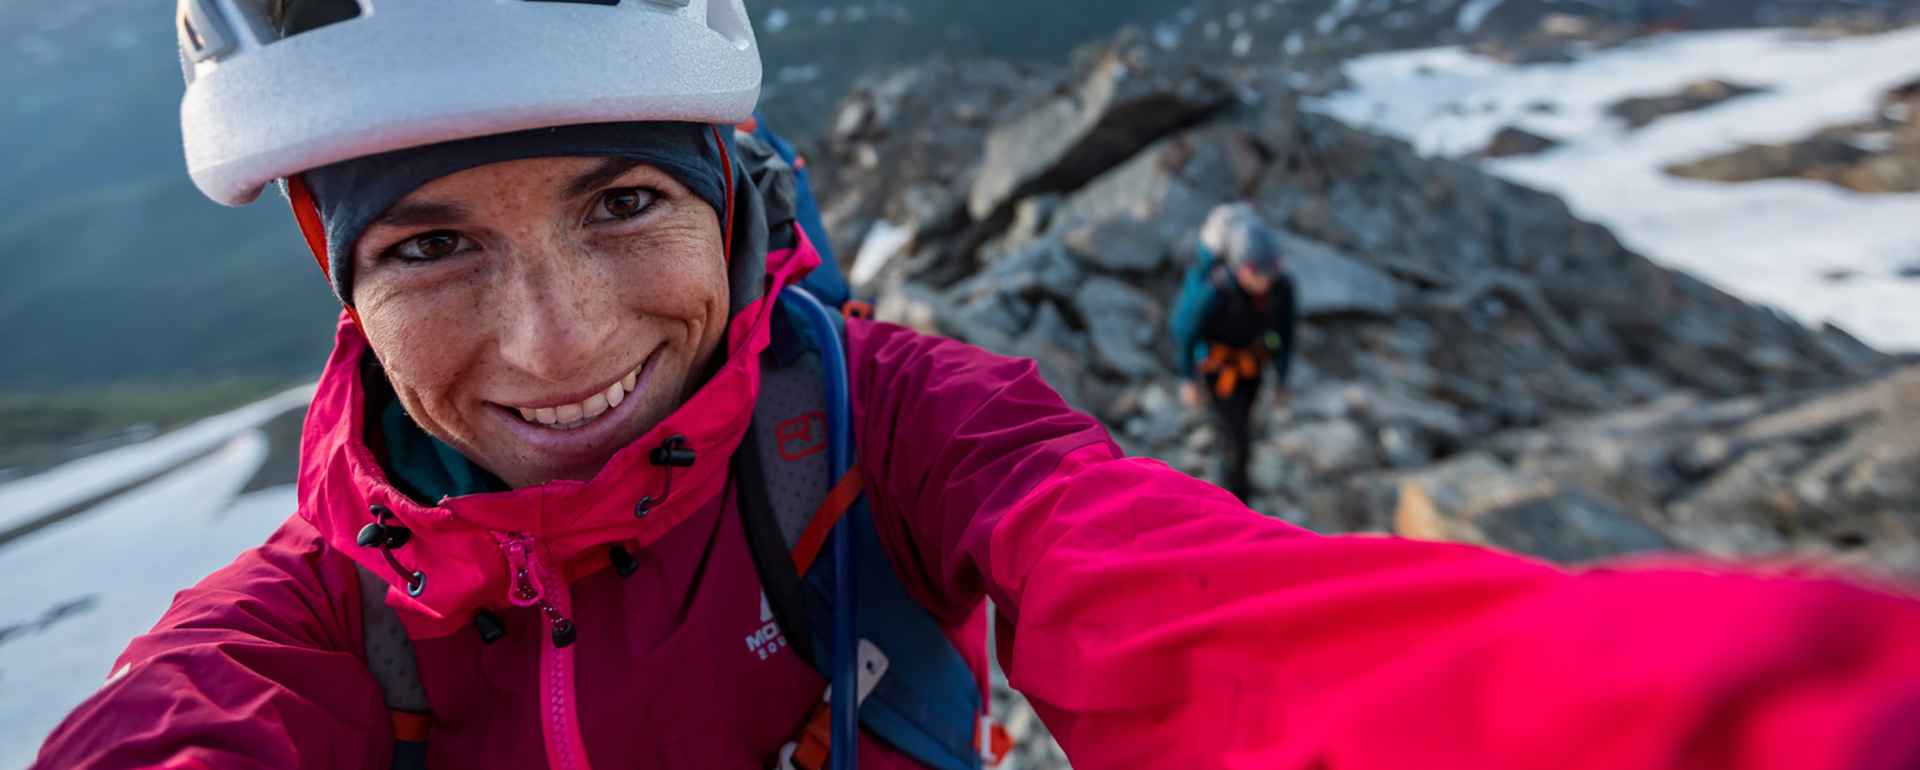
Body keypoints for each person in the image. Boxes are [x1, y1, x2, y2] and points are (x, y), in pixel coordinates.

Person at [32, 2, 1920, 769]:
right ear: (335, 284)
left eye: (623, 204)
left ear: (735, 203)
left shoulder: (907, 434)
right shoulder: (289, 635)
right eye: (430, 245)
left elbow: (1240, 633)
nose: (554, 346)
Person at [1171, 203, 1298, 502]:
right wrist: (1188, 378)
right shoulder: (1215, 290)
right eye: (1257, 273)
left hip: (1252, 366)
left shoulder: (1281, 289)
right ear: (1240, 267)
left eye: (1270, 273)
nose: (1265, 281)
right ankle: (1234, 497)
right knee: (1234, 432)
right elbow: (1185, 332)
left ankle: (1234, 490)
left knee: (1240, 428)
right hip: (1219, 370)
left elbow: (1286, 333)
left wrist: (1281, 379)